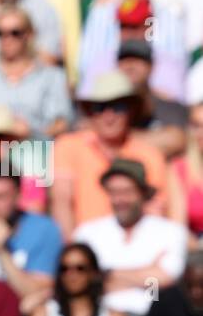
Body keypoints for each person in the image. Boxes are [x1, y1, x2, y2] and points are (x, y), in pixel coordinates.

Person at [51, 71, 182, 237]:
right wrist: (75, 253)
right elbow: (62, 203)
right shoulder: (68, 146)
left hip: (136, 248)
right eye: (100, 108)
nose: (109, 116)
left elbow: (156, 210)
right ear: (90, 111)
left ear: (132, 110)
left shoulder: (149, 155)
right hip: (86, 250)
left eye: (118, 107)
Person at [73, 158, 188, 316]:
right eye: (113, 192)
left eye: (127, 192)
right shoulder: (88, 233)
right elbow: (79, 281)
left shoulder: (170, 232)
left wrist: (106, 274)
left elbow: (165, 279)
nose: (120, 200)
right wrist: (148, 272)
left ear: (143, 193)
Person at [0, 5, 73, 138]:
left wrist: (30, 134)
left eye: (15, 33)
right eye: (0, 33)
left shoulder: (52, 77)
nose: (7, 39)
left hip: (36, 151)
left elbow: (62, 124)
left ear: (29, 34)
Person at [0, 171, 62, 316]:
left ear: (18, 196)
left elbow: (35, 292)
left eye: (0, 197)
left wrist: (2, 250)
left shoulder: (44, 230)